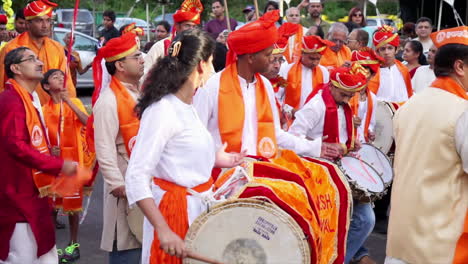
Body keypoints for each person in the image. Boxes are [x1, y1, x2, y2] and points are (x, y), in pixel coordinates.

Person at [126, 28, 245, 264]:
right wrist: (163, 229)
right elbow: (136, 176)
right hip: (173, 213)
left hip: (196, 211)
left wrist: (217, 158)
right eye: (211, 62)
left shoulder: (187, 105)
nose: (213, 69)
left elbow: (180, 157)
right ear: (201, 65)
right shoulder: (163, 110)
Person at [195, 10, 327, 160]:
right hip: (225, 170)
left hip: (262, 162)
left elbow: (275, 134)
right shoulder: (213, 86)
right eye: (268, 54)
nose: (272, 59)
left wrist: (313, 148)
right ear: (251, 57)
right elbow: (197, 136)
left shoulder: (265, 85)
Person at [385, 26, 468, 264]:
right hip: (443, 247)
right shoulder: (462, 111)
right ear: (459, 67)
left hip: (401, 242)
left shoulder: (409, 106)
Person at [0, 47, 77, 264]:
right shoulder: (11, 100)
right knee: (22, 257)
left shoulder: (29, 98)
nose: (40, 63)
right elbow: (15, 145)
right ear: (15, 68)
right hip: (17, 196)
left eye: (38, 58)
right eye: (31, 59)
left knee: (43, 254)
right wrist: (58, 165)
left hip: (34, 194)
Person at [92, 33, 144, 263]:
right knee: (126, 243)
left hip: (143, 182)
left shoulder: (139, 93)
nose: (142, 59)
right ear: (121, 65)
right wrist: (116, 183)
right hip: (124, 185)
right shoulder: (108, 101)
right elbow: (103, 147)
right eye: (136, 56)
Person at [41, 69, 92, 263]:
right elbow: (41, 138)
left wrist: (69, 101)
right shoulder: (44, 110)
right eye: (55, 77)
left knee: (72, 208)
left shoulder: (75, 102)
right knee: (51, 207)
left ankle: (73, 245)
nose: (61, 78)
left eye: (62, 76)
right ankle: (50, 248)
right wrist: (49, 150)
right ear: (46, 86)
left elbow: (87, 122)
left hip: (73, 162)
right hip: (54, 165)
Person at [0, 0, 76, 104]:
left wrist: (71, 107)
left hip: (53, 111)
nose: (45, 25)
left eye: (48, 20)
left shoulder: (57, 48)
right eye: (39, 20)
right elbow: (2, 85)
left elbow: (66, 82)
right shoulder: (12, 48)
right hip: (23, 109)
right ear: (28, 23)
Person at [288, 65, 367, 159]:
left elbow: (340, 135)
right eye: (343, 95)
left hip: (337, 160)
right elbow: (292, 137)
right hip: (314, 161)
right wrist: (318, 145)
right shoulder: (315, 106)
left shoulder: (343, 104)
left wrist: (351, 143)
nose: (346, 100)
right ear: (331, 86)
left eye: (350, 97)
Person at [144, 0, 203, 75]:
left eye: (194, 26)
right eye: (187, 25)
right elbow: (145, 74)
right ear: (177, 27)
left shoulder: (200, 47)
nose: (191, 30)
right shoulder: (161, 47)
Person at [280, 35, 331, 111]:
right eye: (312, 58)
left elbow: (326, 99)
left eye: (318, 59)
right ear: (302, 53)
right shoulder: (287, 70)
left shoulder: (324, 72)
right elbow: (277, 98)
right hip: (290, 119)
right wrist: (290, 110)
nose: (315, 63)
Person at [369, 25, 413, 103]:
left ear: (396, 50)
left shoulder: (403, 69)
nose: (386, 52)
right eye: (383, 49)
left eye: (390, 48)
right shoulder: (371, 72)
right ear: (377, 52)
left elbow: (409, 94)